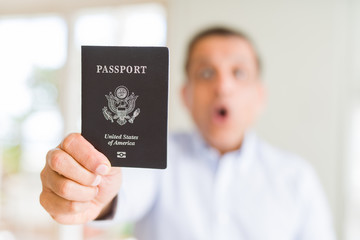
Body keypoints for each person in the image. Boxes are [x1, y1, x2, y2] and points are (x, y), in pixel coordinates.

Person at [40, 27, 336, 239]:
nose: (223, 87)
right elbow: (121, 193)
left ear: (260, 96)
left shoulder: (297, 178)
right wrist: (89, 194)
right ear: (185, 95)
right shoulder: (155, 156)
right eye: (206, 73)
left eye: (239, 73)